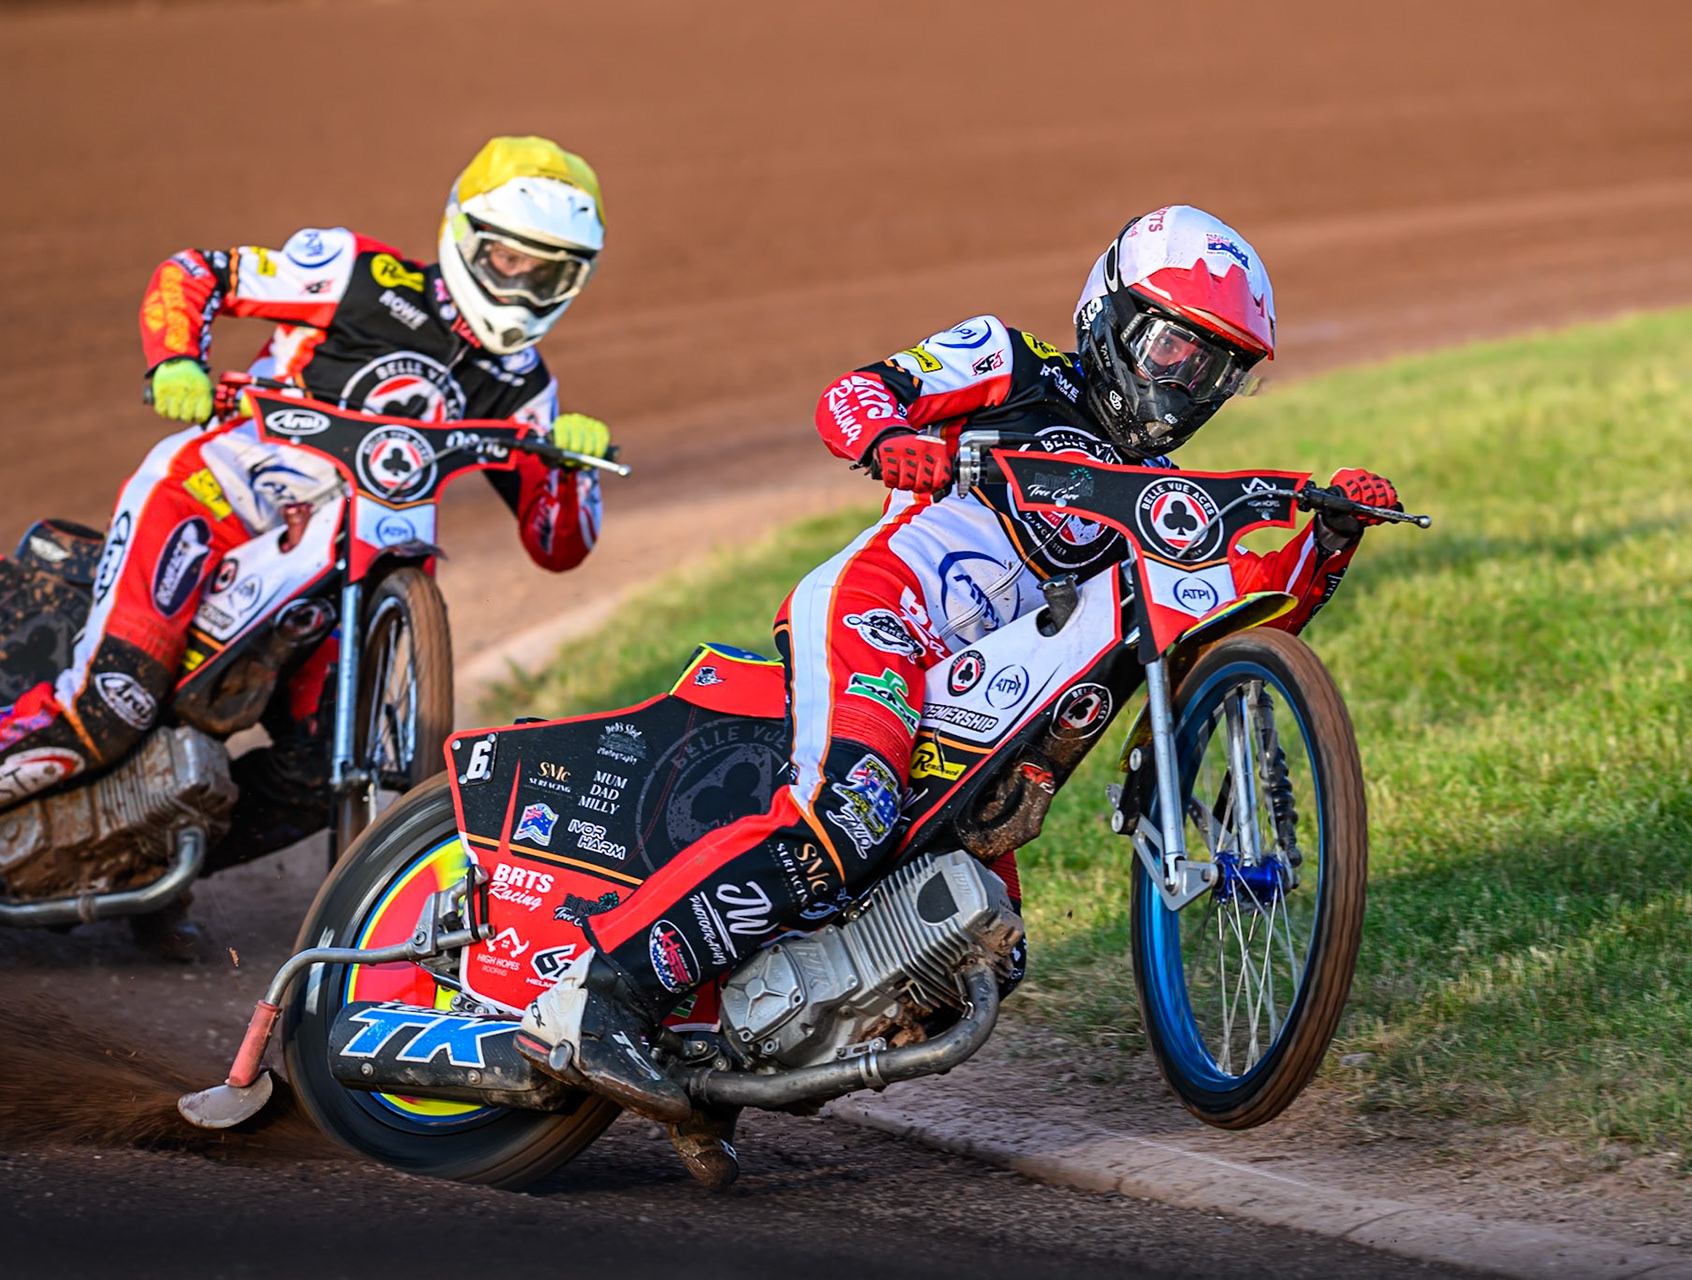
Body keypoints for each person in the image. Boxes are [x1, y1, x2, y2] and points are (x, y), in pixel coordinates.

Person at [512, 205, 1401, 1186]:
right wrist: (894, 440)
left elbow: (1230, 648)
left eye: (1213, 368)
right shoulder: (1008, 360)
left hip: (974, 723)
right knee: (844, 813)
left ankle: (715, 1068)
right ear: (1109, 313)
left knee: (978, 956)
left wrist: (1326, 544)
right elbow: (852, 396)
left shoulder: (1161, 503)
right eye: (1171, 345)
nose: (1182, 381)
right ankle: (601, 991)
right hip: (882, 613)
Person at [0, 136, 615, 942]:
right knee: (113, 703)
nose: (522, 283)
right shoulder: (358, 274)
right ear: (462, 237)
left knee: (308, 779)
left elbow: (557, 546)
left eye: (548, 272)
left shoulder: (524, 388)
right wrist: (175, 363)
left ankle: (142, 865)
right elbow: (194, 273)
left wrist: (573, 463)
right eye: (507, 260)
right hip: (208, 501)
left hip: (348, 577)